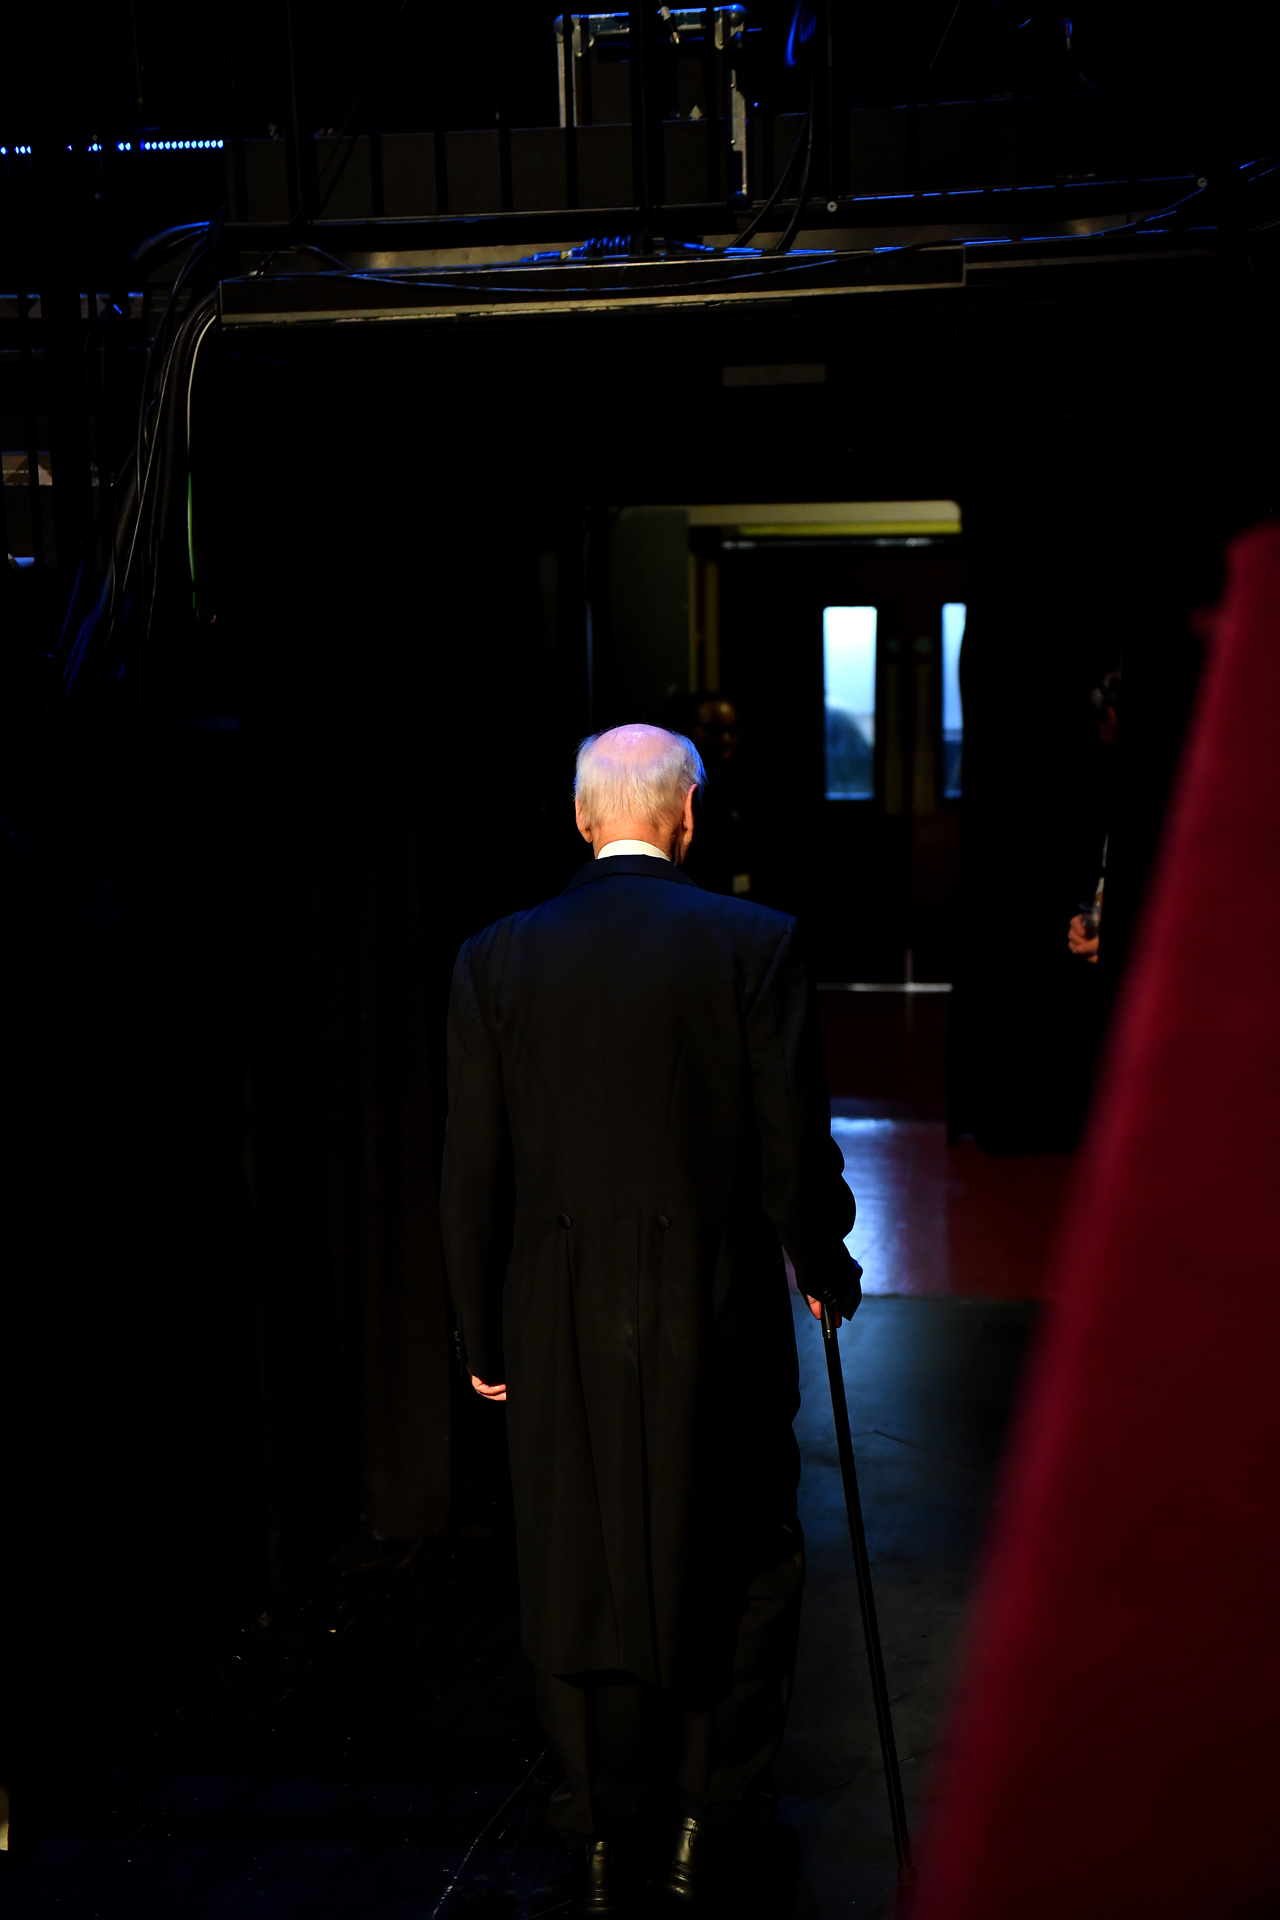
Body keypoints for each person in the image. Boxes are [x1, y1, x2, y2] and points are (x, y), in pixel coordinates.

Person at [440, 723, 860, 1914]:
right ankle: (707, 1814)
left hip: (555, 1314)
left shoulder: (494, 959)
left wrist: (483, 1334)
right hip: (712, 1308)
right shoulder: (754, 943)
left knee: (572, 1556)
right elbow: (790, 1148)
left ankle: (594, 1826)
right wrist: (822, 1259)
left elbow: (472, 1173)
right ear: (684, 818)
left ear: (583, 820)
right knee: (738, 1551)